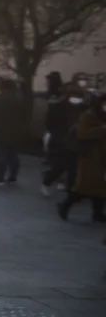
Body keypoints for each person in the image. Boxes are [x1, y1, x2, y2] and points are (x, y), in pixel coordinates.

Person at [59, 93, 106, 223]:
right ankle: (65, 205)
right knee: (84, 187)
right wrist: (102, 129)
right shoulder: (87, 116)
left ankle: (98, 213)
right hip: (89, 157)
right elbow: (82, 134)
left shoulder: (100, 116)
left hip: (100, 157)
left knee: (100, 187)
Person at [0, 78, 23, 186]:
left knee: (1, 154)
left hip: (0, 130)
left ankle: (0, 177)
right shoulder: (18, 99)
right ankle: (13, 176)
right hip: (16, 130)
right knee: (13, 154)